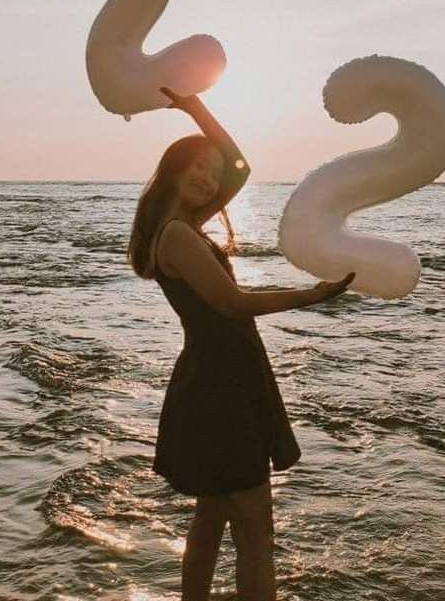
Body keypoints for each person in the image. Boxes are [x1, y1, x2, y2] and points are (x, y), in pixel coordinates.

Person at [127, 88, 354, 601]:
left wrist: (194, 108)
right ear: (173, 171)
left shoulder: (182, 226)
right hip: (221, 387)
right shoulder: (179, 236)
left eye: (211, 170)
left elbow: (240, 167)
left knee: (210, 518)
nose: (209, 178)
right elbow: (230, 303)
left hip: (219, 377)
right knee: (256, 530)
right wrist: (311, 294)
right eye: (197, 168)